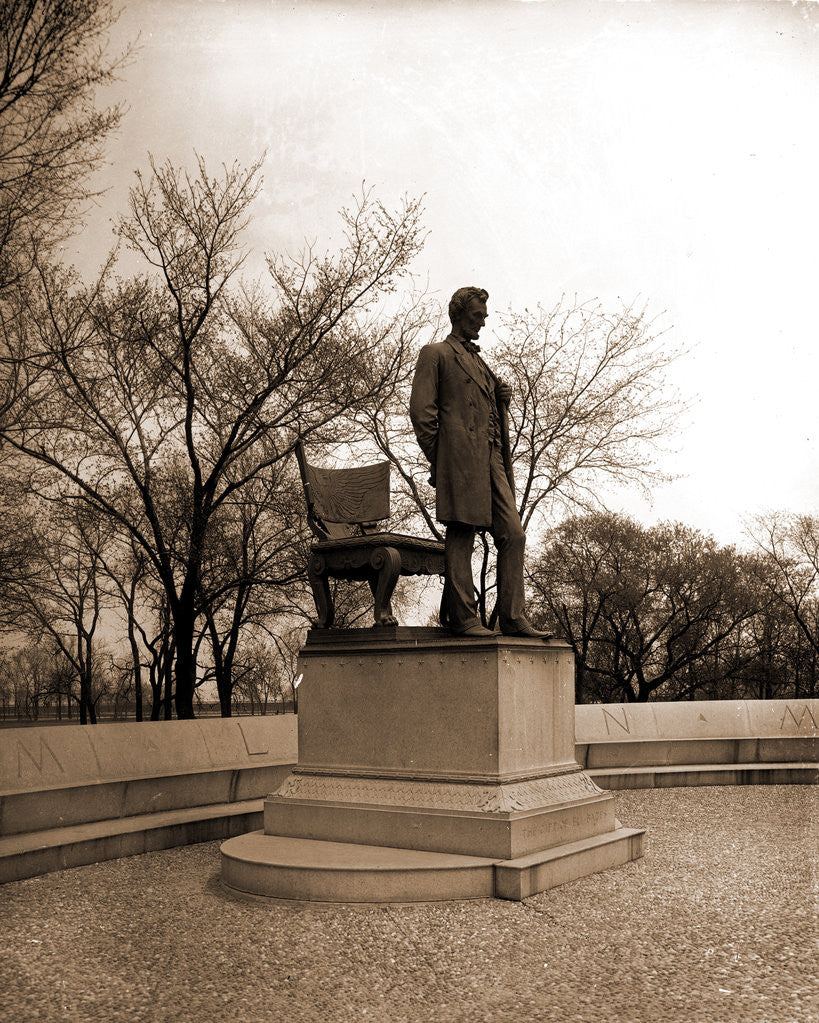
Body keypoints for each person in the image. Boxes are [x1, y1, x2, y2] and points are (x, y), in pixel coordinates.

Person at [410, 286, 549, 638]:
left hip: (492, 460)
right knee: (461, 533)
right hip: (459, 461)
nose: (482, 324)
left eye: (484, 318)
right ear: (458, 315)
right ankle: (463, 617)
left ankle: (513, 617)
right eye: (477, 317)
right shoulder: (436, 354)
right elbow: (422, 415)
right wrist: (443, 462)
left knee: (513, 534)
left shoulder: (481, 363)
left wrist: (501, 397)